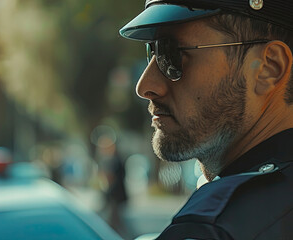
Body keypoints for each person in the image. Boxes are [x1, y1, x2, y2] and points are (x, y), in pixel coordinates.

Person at [119, 0, 293, 239]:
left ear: (268, 68)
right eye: (152, 51)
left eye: (170, 54)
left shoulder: (213, 229)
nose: (145, 86)